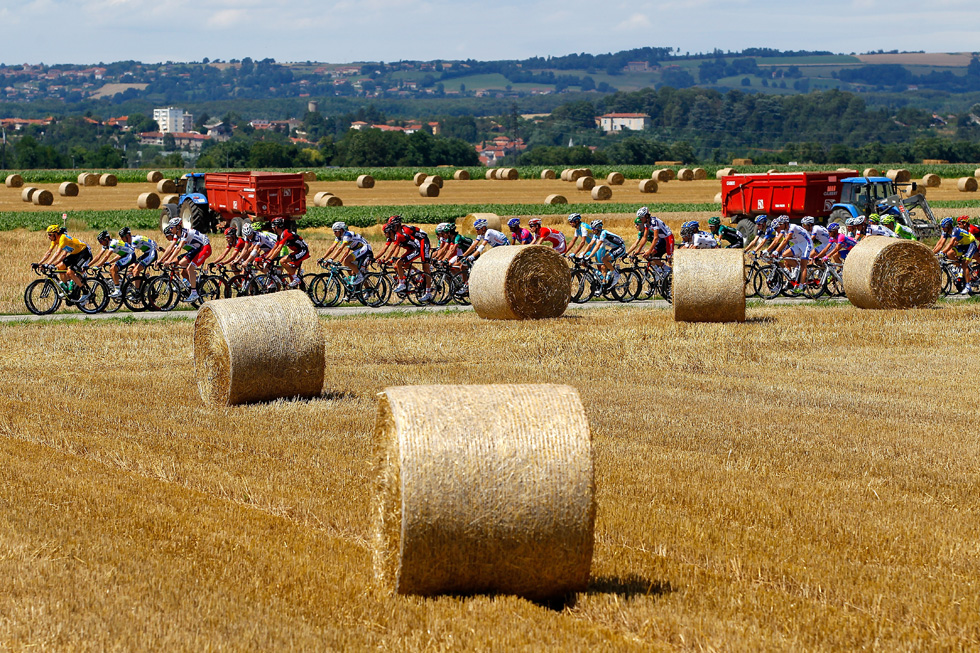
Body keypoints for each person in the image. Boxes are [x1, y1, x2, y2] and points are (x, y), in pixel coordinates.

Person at [377, 216, 432, 301]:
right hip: (412, 247)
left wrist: (386, 260)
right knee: (399, 264)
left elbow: (412, 243)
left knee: (425, 266)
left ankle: (428, 292)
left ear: (397, 224)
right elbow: (395, 248)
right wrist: (389, 259)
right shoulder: (396, 234)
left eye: (392, 225)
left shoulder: (405, 230)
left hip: (422, 241)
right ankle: (411, 279)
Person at [158, 217, 211, 302]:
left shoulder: (184, 233)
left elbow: (178, 248)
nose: (170, 229)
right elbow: (170, 247)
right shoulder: (176, 234)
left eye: (172, 227)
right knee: (182, 264)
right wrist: (161, 259)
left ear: (178, 227)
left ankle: (194, 293)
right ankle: (192, 282)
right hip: (195, 249)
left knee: (190, 268)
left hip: (204, 248)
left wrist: (168, 260)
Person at [36, 224, 92, 301]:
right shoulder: (55, 240)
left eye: (50, 235)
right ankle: (66, 289)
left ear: (55, 234)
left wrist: (48, 264)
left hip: (83, 252)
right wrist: (39, 263)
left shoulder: (62, 238)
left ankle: (85, 292)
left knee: (70, 272)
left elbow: (57, 253)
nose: (48, 237)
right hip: (75, 254)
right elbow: (49, 252)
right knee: (60, 266)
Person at [934, 216, 978, 294]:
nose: (942, 228)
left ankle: (968, 286)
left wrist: (942, 253)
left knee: (964, 263)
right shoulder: (945, 232)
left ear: (948, 226)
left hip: (971, 244)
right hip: (963, 245)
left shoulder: (955, 231)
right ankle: (959, 269)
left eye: (943, 227)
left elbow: (950, 244)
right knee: (949, 253)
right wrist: (932, 253)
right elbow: (940, 243)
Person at [768, 215, 813, 291]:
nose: (779, 225)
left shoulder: (792, 227)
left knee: (803, 266)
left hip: (807, 244)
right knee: (785, 255)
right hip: (799, 244)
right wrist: (771, 251)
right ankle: (796, 267)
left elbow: (785, 241)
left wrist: (776, 251)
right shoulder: (783, 230)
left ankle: (801, 286)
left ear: (786, 223)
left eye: (780, 224)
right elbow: (780, 241)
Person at [90, 229, 135, 298]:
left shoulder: (112, 243)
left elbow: (106, 256)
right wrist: (88, 265)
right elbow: (98, 256)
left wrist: (97, 266)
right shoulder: (106, 244)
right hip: (124, 256)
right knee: (112, 273)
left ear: (107, 239)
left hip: (130, 256)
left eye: (101, 241)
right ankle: (124, 287)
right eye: (99, 241)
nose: (100, 243)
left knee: (113, 268)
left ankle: (118, 290)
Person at [266, 217, 309, 288]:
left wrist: (270, 260)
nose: (272, 229)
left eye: (273, 227)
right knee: (290, 272)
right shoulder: (279, 236)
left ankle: (296, 279)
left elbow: (279, 248)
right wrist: (267, 258)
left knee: (282, 261)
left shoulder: (285, 233)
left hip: (303, 250)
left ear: (276, 227)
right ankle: (300, 286)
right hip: (298, 251)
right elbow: (274, 248)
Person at [582, 218, 626, 285]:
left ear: (598, 228)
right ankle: (607, 279)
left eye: (593, 229)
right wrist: (583, 254)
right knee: (604, 265)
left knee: (604, 259)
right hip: (615, 248)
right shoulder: (596, 235)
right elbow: (590, 245)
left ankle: (616, 275)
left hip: (620, 247)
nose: (592, 230)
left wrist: (589, 257)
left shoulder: (603, 233)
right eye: (592, 229)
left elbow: (597, 246)